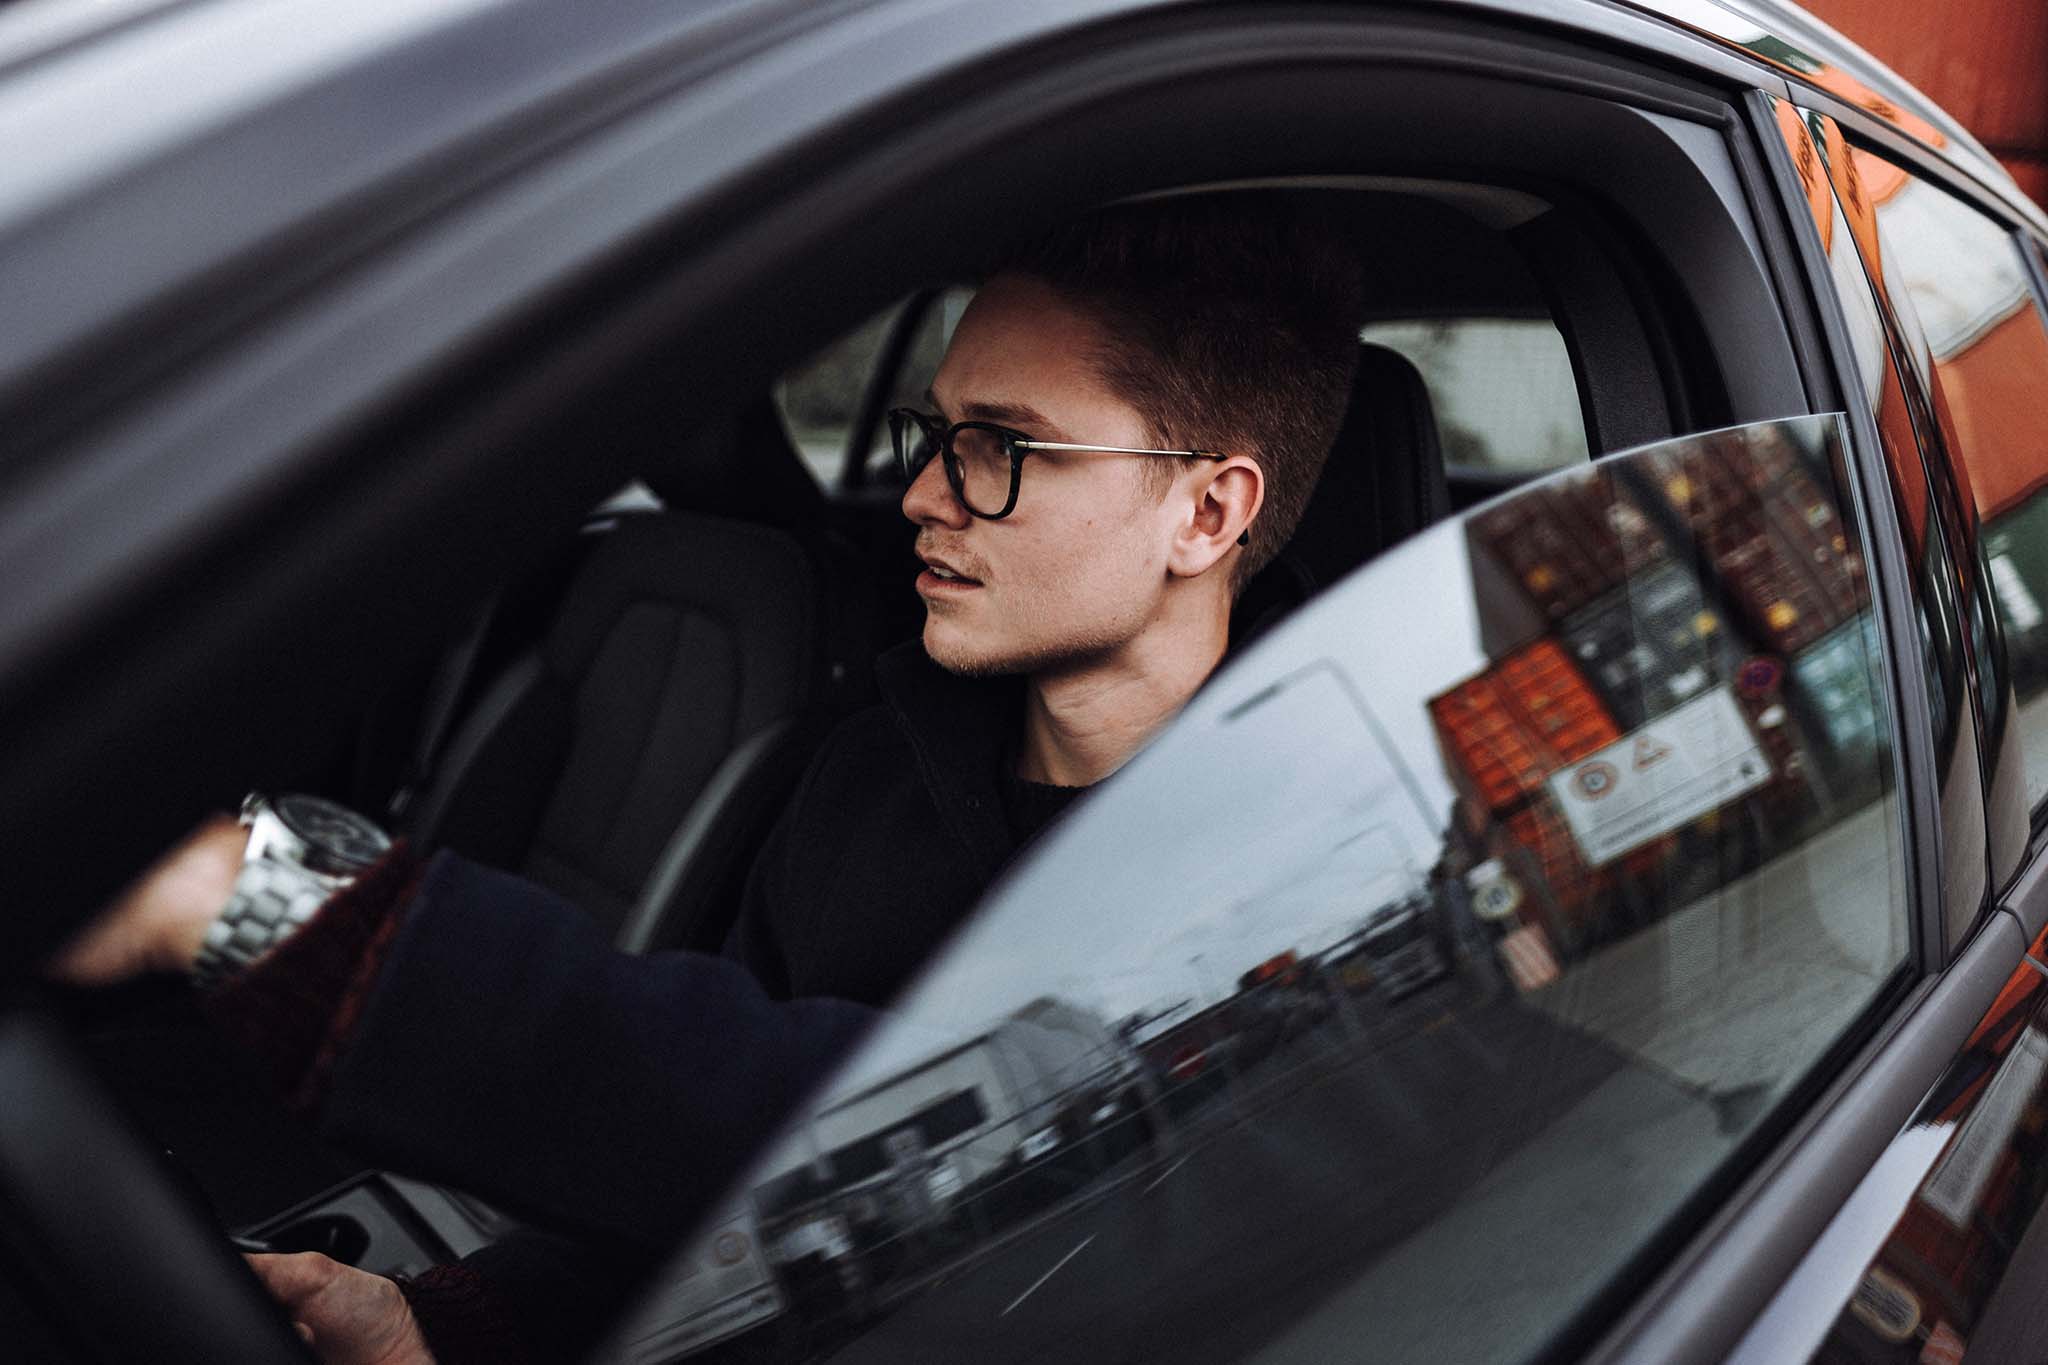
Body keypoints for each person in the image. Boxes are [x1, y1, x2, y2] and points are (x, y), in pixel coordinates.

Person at [49, 192, 1366, 1362]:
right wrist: (459, 1324)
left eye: (1002, 448)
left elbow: (933, 1140)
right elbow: (731, 1206)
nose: (923, 493)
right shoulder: (873, 772)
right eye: (934, 432)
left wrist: (268, 905)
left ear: (1206, 513)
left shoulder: (1328, 855)